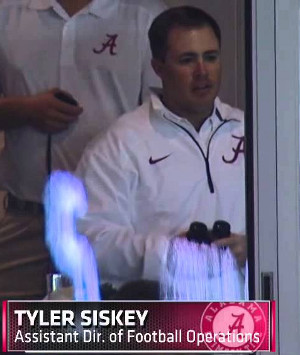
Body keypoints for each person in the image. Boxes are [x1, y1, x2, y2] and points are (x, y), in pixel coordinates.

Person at [76, 5, 247, 296]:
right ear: (158, 67)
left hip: (248, 318)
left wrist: (252, 245)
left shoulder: (251, 132)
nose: (202, 72)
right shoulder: (118, 144)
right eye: (187, 60)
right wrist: (167, 254)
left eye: (211, 57)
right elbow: (87, 239)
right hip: (161, 323)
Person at [0, 0, 166, 299]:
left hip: (109, 231)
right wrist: (22, 110)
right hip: (24, 220)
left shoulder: (145, 17)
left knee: (101, 339)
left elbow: (166, 121)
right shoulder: (8, 12)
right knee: (14, 335)